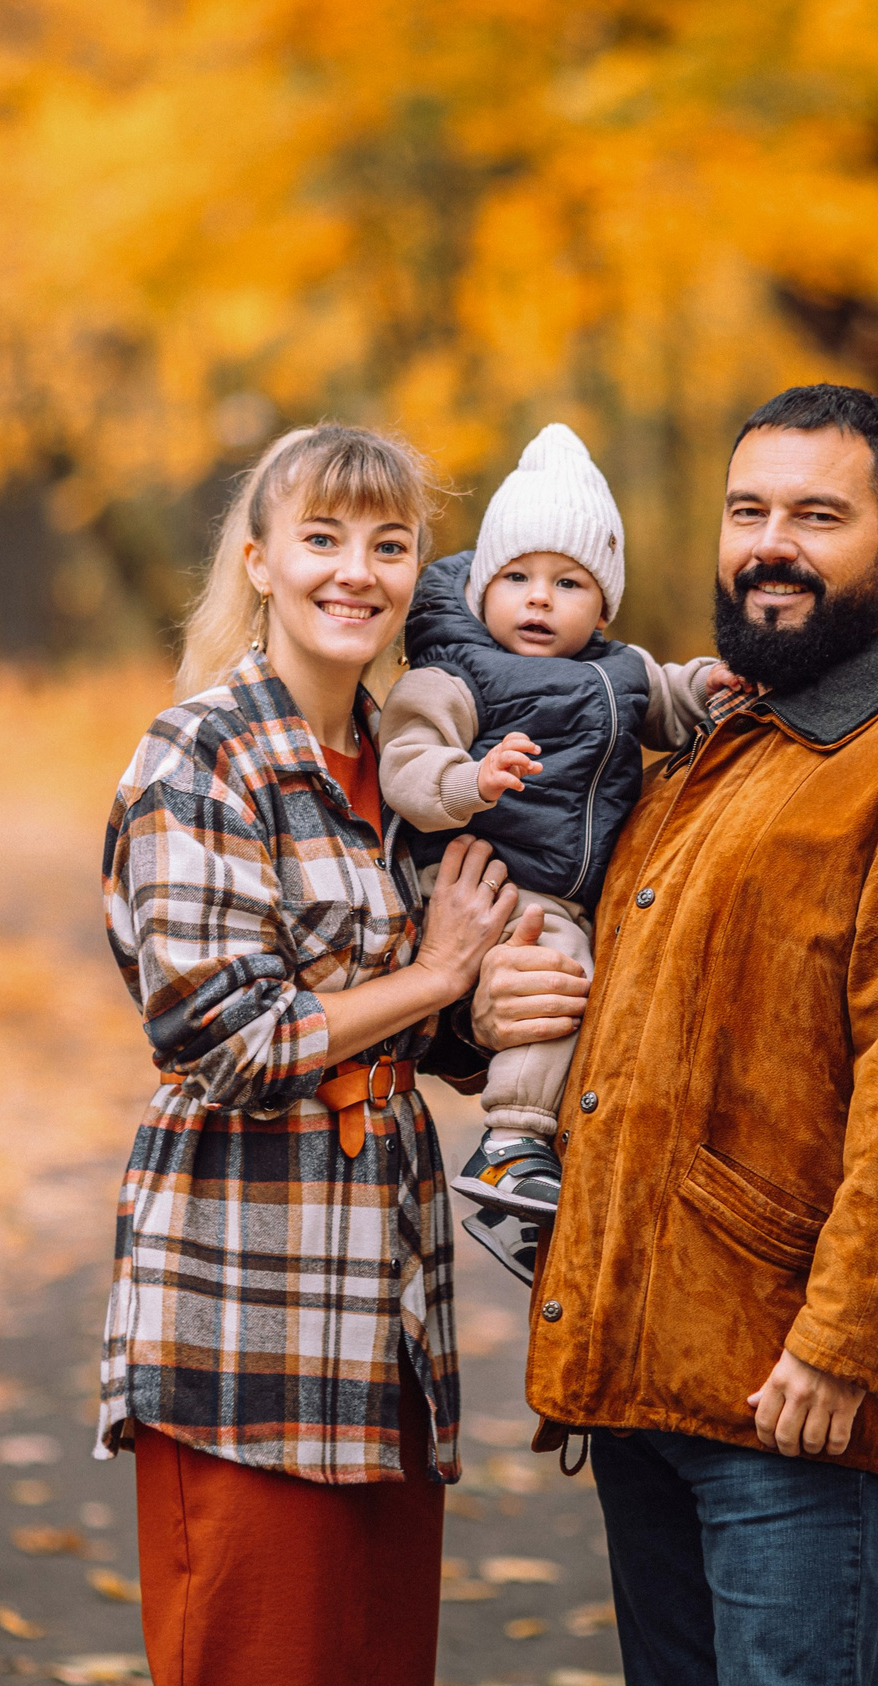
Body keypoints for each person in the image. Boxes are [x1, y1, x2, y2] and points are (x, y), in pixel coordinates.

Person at [465, 384, 878, 1686]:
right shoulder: (711, 743)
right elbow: (604, 995)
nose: (772, 543)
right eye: (750, 510)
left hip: (796, 1407)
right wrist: (483, 1017)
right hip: (640, 1374)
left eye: (818, 514)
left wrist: (843, 1345)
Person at [92, 423, 519, 1686]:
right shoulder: (202, 752)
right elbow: (220, 1033)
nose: (357, 571)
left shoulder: (404, 771)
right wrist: (437, 977)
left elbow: (420, 1017)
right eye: (323, 539)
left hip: (386, 1313)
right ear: (261, 559)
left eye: (389, 546)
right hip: (246, 1306)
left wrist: (492, 1001)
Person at [377, 423, 726, 1283]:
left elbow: (668, 700)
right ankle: (510, 1144)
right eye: (518, 578)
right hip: (485, 882)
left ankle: (552, 1173)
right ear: (485, 585)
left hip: (567, 890)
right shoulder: (458, 672)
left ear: (602, 608)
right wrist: (472, 779)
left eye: (568, 583)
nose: (539, 599)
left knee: (600, 978)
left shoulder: (616, 671)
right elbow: (407, 760)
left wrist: (709, 689)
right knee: (557, 972)